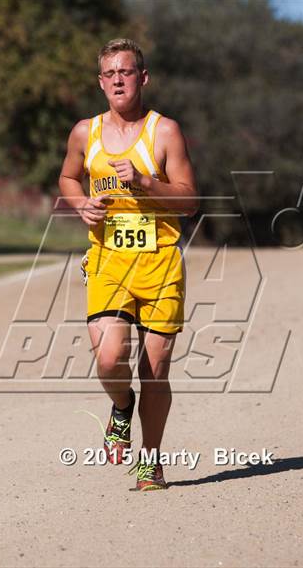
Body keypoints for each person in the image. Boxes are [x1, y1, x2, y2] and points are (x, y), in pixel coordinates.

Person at [59, 38, 198, 491]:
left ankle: (150, 462)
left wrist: (144, 182)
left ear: (143, 77)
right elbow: (67, 176)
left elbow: (190, 201)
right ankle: (121, 408)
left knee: (155, 370)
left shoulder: (165, 132)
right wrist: (80, 204)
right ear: (101, 82)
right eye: (110, 73)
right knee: (109, 357)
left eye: (126, 70)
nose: (118, 78)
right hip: (108, 262)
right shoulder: (86, 132)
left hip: (159, 265)